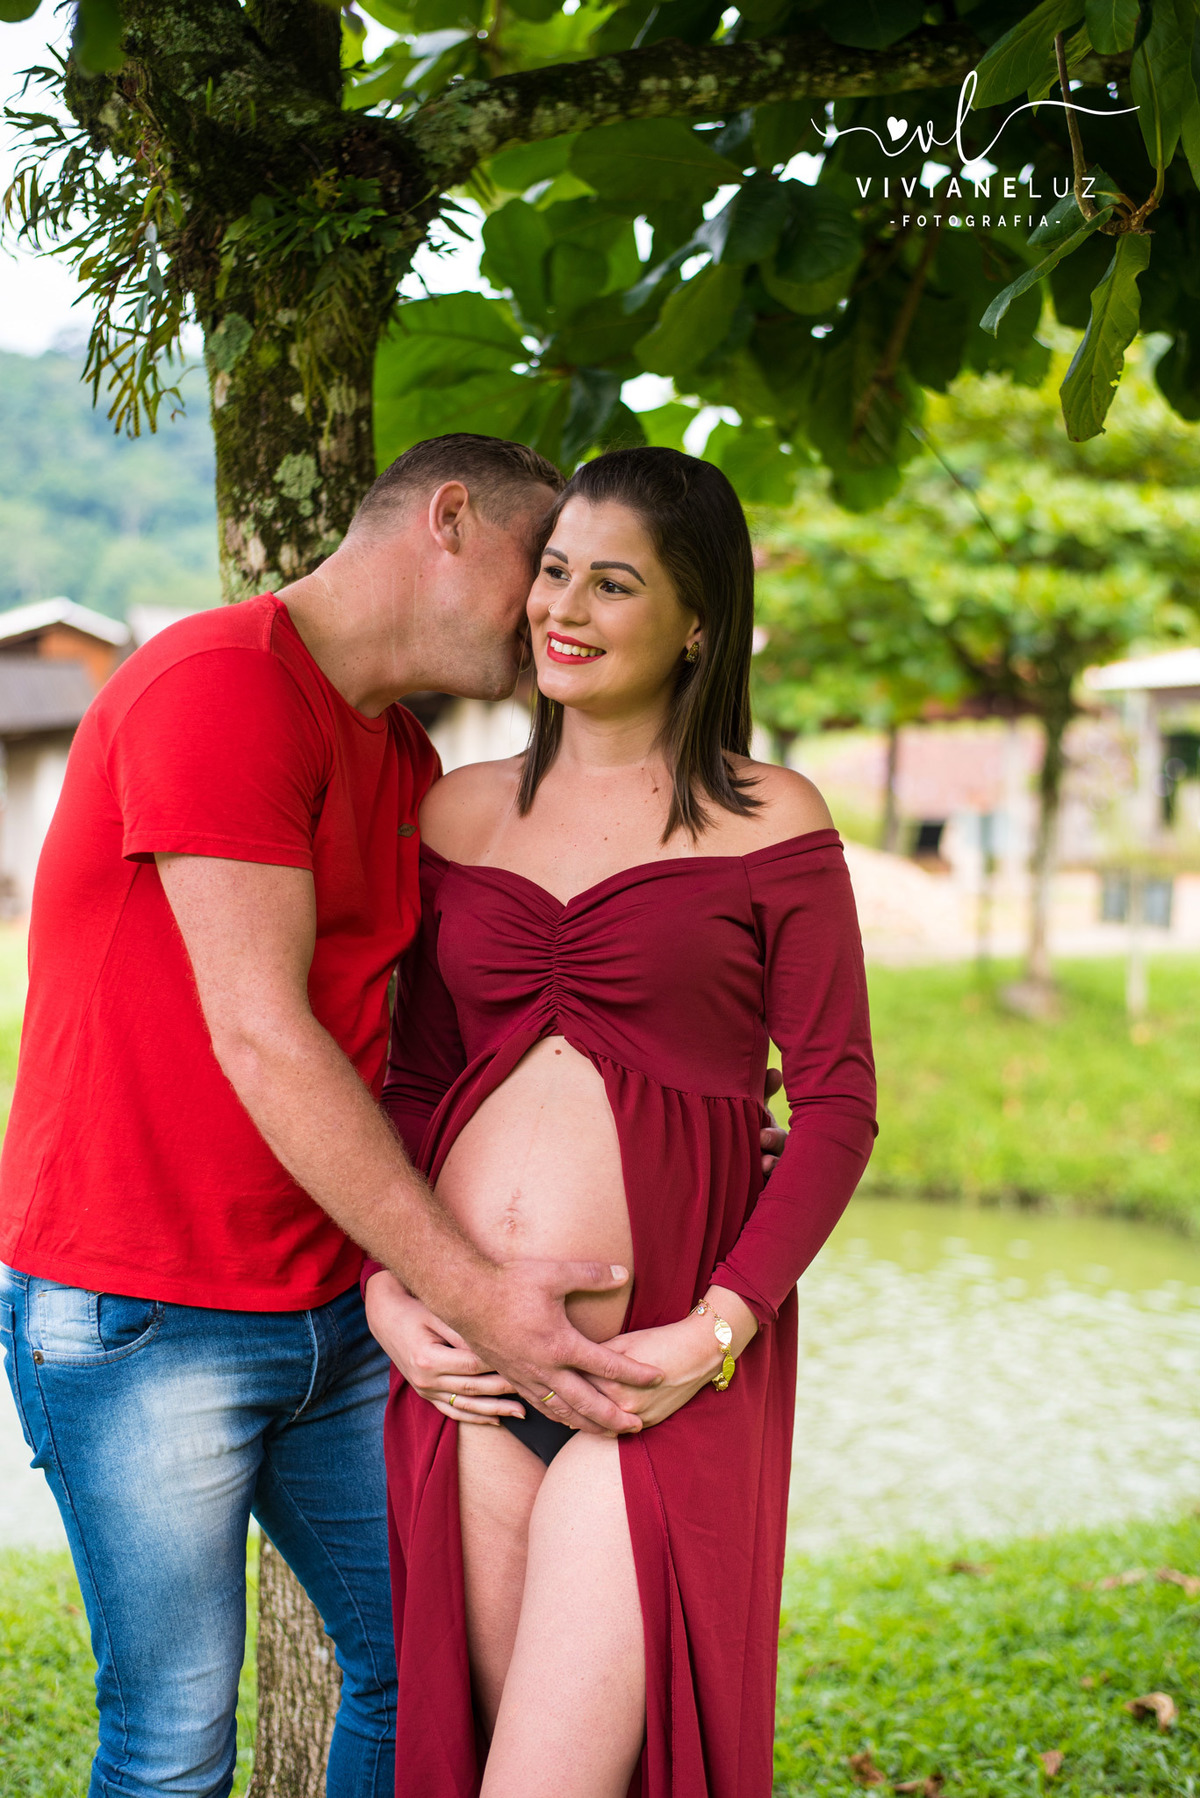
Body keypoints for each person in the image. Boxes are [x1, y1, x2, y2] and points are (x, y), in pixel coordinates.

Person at [0, 433, 693, 1798]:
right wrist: (479, 1295)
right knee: (174, 1739)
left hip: (340, 1304)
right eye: (539, 565)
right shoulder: (219, 685)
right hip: (142, 1311)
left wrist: (695, 1119)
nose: (549, 611)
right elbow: (264, 1034)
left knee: (417, 1669)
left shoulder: (404, 755)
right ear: (451, 518)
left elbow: (437, 1040)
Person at [367, 446, 878, 1798]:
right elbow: (413, 1087)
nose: (564, 608)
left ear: (698, 621)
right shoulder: (459, 809)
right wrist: (392, 1291)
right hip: (471, 1371)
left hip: (657, 1380)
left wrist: (716, 1332)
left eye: (613, 582)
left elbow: (838, 1103)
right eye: (552, 571)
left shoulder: (772, 818)